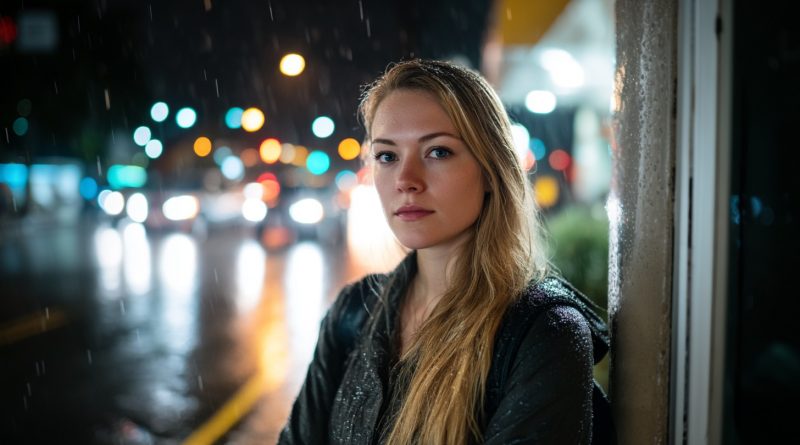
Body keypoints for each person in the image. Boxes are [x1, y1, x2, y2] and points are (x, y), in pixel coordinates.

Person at [278, 59, 612, 444]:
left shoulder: (542, 334)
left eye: (437, 152)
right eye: (387, 156)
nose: (406, 180)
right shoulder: (354, 312)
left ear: (491, 169)